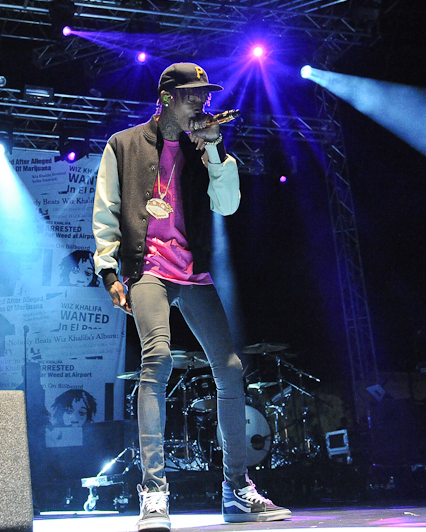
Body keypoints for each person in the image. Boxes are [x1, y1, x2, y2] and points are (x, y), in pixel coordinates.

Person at [92, 62, 291, 531]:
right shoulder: (124, 144)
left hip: (193, 272)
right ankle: (155, 493)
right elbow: (106, 209)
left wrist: (217, 152)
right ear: (165, 97)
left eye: (204, 95)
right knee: (156, 357)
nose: (200, 102)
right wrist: (107, 269)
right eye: (190, 95)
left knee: (231, 368)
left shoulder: (206, 149)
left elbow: (228, 206)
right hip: (148, 271)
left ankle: (237, 490)